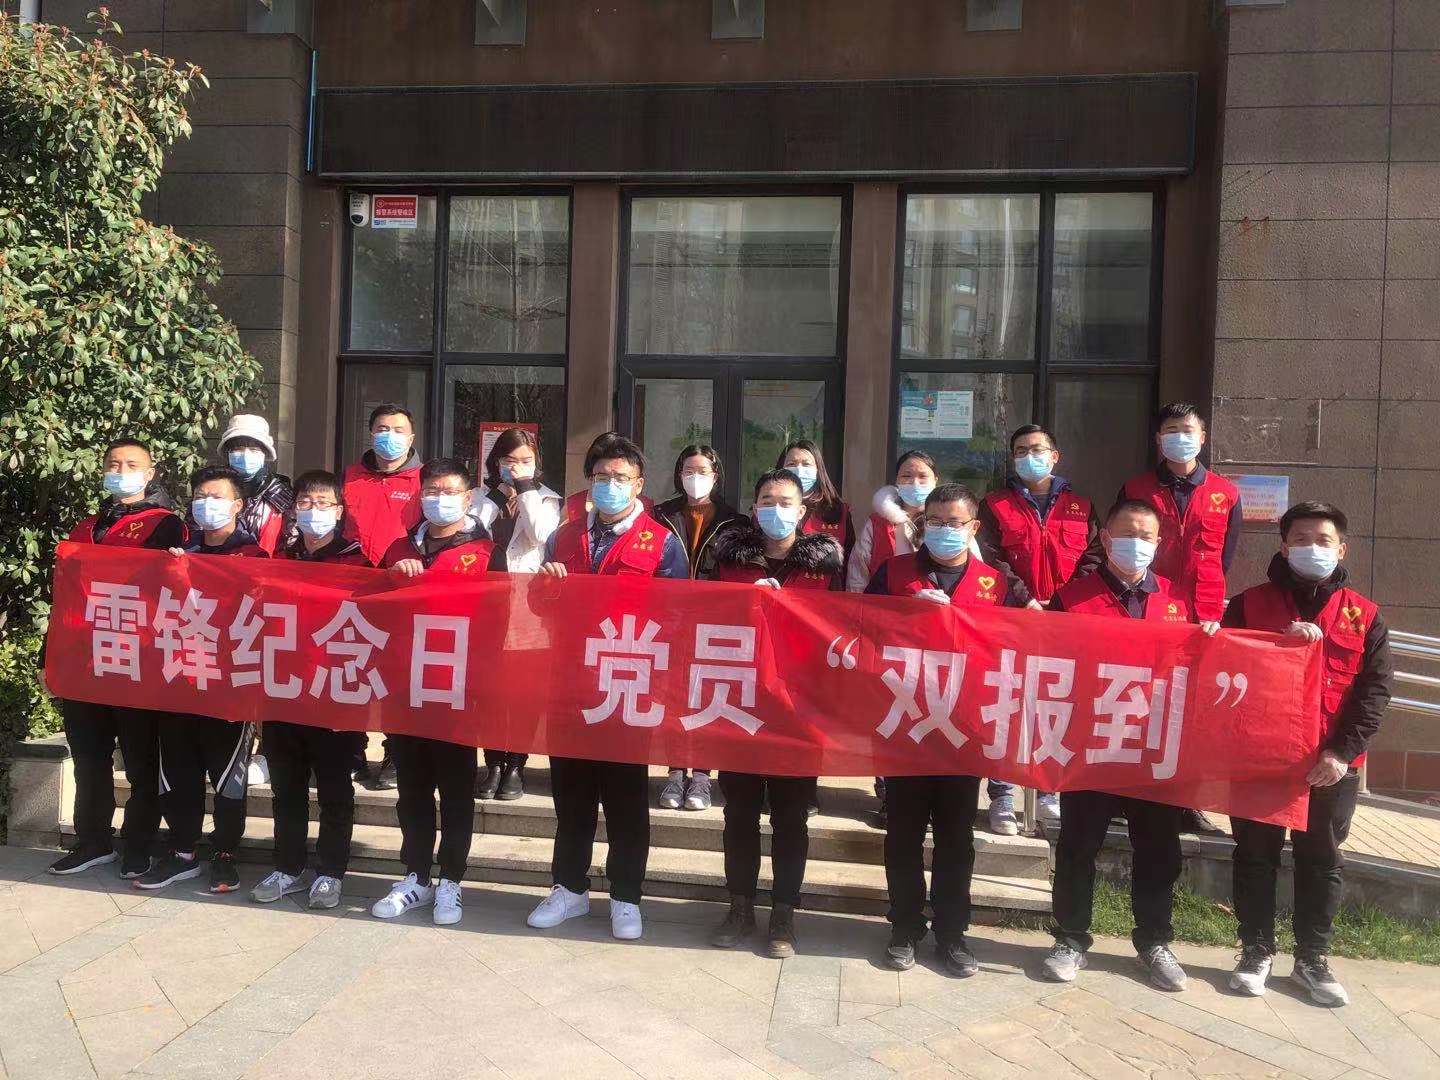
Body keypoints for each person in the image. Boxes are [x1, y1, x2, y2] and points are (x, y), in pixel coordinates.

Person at [1223, 502, 1392, 1006]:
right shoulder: (1248, 604)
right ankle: (1255, 950)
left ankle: (1311, 959)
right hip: (1260, 760)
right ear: (1283, 546)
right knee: (1255, 856)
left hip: (1330, 767)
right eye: (1300, 539)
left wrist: (1341, 752)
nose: (1311, 548)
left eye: (1323, 540)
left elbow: (1375, 692)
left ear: (1342, 549)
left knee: (1321, 861)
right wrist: (1277, 646)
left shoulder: (1365, 616)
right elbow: (1223, 670)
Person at [1041, 499, 1210, 991]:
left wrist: (1210, 640)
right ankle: (1070, 938)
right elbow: (1049, 663)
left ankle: (1154, 941)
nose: (1137, 543)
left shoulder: (1177, 602)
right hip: (1091, 744)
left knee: (1158, 849)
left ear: (1159, 543)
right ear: (1106, 537)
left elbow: (1196, 672)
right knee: (1078, 845)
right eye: (1127, 533)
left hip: (1152, 748)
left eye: (1146, 536)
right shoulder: (1073, 598)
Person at [527, 434, 688, 941]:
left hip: (628, 683)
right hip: (570, 682)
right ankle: (568, 889)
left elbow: (678, 614)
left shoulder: (661, 542)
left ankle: (626, 897)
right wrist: (545, 588)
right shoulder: (563, 538)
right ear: (589, 483)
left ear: (639, 485)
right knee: (571, 796)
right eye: (601, 477)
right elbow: (537, 605)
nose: (610, 485)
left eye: (621, 478)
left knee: (625, 800)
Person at [865, 482, 1025, 977]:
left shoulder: (996, 583)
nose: (944, 531)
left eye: (954, 523)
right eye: (934, 522)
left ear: (973, 527)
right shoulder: (894, 573)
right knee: (903, 834)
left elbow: (1020, 643)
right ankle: (904, 926)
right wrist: (906, 619)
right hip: (906, 724)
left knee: (956, 836)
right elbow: (862, 629)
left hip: (963, 728)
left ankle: (952, 933)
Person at [704, 468, 843, 958]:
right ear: (754, 507)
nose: (775, 509)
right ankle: (739, 906)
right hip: (740, 702)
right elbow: (703, 617)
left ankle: (784, 913)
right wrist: (747, 605)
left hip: (800, 708)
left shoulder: (826, 566)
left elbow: (844, 628)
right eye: (767, 500)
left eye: (786, 502)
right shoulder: (729, 559)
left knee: (790, 817)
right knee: (739, 812)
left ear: (803, 511)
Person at [371, 458, 501, 926]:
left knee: (456, 788)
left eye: (449, 492)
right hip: (405, 685)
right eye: (431, 491)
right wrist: (392, 579)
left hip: (457, 687)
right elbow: (368, 608)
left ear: (468, 498)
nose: (439, 499)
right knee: (412, 787)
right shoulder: (399, 547)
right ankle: (415, 875)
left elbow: (499, 619)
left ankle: (451, 881)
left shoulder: (487, 551)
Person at [49, 438, 186, 879]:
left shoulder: (167, 525)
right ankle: (93, 840)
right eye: (114, 464)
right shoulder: (85, 528)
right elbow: (63, 599)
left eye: (131, 465)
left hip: (137, 659)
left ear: (150, 473)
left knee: (140, 758)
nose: (121, 472)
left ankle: (139, 843)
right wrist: (50, 657)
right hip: (84, 658)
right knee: (89, 756)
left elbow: (173, 590)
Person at [135, 466, 266, 893]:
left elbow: (258, 615)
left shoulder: (256, 557)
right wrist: (172, 572)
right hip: (179, 682)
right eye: (200, 496)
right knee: (178, 771)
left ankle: (225, 853)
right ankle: (182, 851)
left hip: (229, 688)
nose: (207, 504)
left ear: (237, 505)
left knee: (228, 777)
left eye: (217, 496)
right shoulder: (178, 553)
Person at [1118, 402, 1243, 838]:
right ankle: (1125, 794)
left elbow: (1225, 558)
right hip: (1147, 612)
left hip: (1200, 620)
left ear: (1202, 437)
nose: (1180, 437)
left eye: (1188, 430)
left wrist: (1209, 610)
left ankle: (1186, 803)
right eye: (1171, 429)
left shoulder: (1226, 493)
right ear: (1158, 439)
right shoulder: (1136, 487)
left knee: (1188, 713)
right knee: (1138, 701)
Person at [249, 471, 369, 911]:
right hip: (285, 689)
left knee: (335, 789)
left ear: (339, 511)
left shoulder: (358, 563)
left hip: (335, 693)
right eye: (304, 502)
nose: (313, 510)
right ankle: (288, 866)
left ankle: (331, 872)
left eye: (323, 503)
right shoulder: (280, 557)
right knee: (287, 788)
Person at [978, 424, 1104, 828]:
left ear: (1054, 456)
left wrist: (1065, 604)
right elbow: (990, 558)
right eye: (1020, 451)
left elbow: (1094, 557)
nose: (1028, 457)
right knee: (1007, 706)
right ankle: (1002, 794)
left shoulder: (1081, 506)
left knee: (1054, 704)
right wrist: (1024, 599)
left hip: (1064, 623)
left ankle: (1048, 788)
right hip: (1013, 619)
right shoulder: (995, 505)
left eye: (1036, 449)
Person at [470, 427, 564, 801]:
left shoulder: (547, 499)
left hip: (528, 607)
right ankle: (493, 762)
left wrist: (525, 489)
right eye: (510, 460)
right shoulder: (479, 497)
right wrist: (497, 494)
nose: (518, 467)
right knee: (490, 691)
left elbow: (541, 534)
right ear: (496, 462)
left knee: (523, 691)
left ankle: (516, 764)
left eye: (526, 461)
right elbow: (473, 530)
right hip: (486, 605)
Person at [653, 444, 742, 811]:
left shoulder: (734, 522)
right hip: (670, 618)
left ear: (715, 475)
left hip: (713, 621)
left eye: (703, 471)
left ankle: (702, 777)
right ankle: (675, 773)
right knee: (674, 698)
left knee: (707, 697)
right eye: (689, 471)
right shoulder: (661, 515)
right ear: (679, 475)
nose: (695, 477)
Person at [342, 403, 424, 789]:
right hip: (354, 590)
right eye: (381, 428)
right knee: (351, 668)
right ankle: (352, 749)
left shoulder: (424, 481)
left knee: (397, 674)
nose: (389, 436)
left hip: (402, 592)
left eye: (397, 429)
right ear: (370, 432)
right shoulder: (351, 477)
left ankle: (396, 751)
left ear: (411, 438)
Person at [217, 413, 293, 556]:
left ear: (265, 453)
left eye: (254, 449)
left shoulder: (280, 492)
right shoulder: (211, 488)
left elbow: (291, 544)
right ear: (228, 453)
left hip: (265, 566)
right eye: (238, 449)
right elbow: (195, 532)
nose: (245, 454)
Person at [779, 439, 854, 562]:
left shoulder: (837, 510)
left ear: (818, 470)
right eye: (791, 464)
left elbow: (851, 559)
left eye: (806, 464)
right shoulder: (769, 508)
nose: (799, 470)